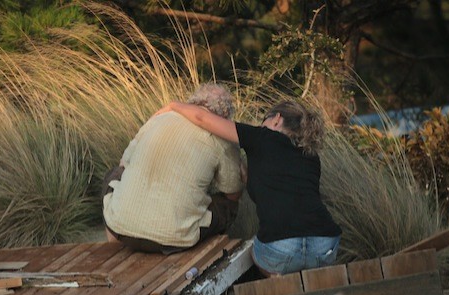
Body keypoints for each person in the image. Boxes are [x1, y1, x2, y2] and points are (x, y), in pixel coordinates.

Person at [155, 99, 341, 276]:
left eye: (263, 120)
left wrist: (174, 106)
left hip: (281, 249)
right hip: (325, 245)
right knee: (303, 260)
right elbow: (288, 193)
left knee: (256, 253)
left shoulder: (261, 136)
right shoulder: (311, 157)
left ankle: (279, 280)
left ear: (276, 119)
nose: (261, 126)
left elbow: (202, 119)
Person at [102, 84, 244, 253]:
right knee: (228, 205)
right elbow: (233, 192)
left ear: (192, 101)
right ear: (225, 116)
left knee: (114, 175)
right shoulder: (222, 138)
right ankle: (206, 252)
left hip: (121, 229)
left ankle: (115, 243)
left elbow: (123, 164)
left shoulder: (159, 118)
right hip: (173, 239)